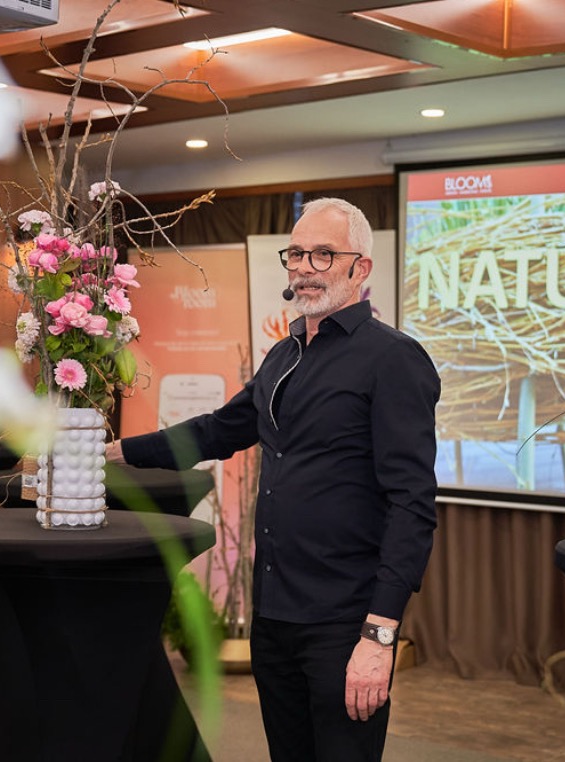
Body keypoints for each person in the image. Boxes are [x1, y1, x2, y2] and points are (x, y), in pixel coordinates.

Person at [106, 197, 440, 762]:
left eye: (323, 254)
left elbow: (412, 502)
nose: (305, 267)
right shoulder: (285, 355)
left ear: (360, 268)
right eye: (296, 254)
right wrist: (118, 452)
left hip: (345, 622)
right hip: (275, 616)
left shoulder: (394, 359)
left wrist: (380, 633)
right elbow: (220, 430)